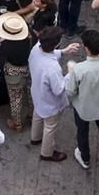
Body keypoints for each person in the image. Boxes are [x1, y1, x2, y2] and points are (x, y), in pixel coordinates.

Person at [65, 29, 99, 170]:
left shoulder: (79, 69)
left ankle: (85, 158)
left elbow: (70, 91)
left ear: (86, 48)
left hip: (82, 108)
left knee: (82, 131)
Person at [29, 27, 77, 162]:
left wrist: (63, 51)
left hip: (37, 93)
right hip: (50, 102)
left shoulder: (35, 49)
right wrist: (70, 73)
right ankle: (47, 153)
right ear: (55, 44)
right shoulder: (52, 68)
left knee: (37, 114)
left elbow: (48, 52)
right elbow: (59, 89)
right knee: (50, 127)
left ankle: (35, 138)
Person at [0, 12, 33, 130]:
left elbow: (0, 60)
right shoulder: (30, 39)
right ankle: (32, 116)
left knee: (15, 97)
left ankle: (17, 123)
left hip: (13, 71)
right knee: (31, 94)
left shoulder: (6, 45)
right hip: (29, 68)